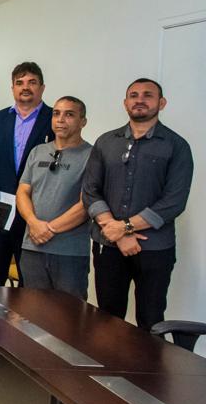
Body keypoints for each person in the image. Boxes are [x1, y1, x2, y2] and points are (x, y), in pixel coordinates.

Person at [82, 79, 194, 329]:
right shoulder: (106, 142)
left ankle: (148, 369)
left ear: (161, 103)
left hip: (155, 248)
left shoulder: (176, 146)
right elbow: (90, 190)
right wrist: (114, 229)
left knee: (150, 320)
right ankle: (109, 368)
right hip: (108, 244)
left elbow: (174, 201)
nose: (139, 100)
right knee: (107, 319)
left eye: (148, 95)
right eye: (133, 95)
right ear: (125, 103)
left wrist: (126, 228)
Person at [0, 62, 54, 286]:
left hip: (36, 217)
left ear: (42, 87)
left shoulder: (53, 120)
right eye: (19, 83)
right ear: (12, 88)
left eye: (32, 82)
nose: (25, 87)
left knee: (31, 288)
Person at [16, 96, 93, 299]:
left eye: (69, 114)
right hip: (32, 247)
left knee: (68, 319)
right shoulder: (37, 152)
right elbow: (23, 192)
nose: (60, 119)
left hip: (69, 253)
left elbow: (86, 203)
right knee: (32, 316)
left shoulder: (92, 156)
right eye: (56, 113)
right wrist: (33, 223)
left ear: (83, 121)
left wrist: (49, 229)